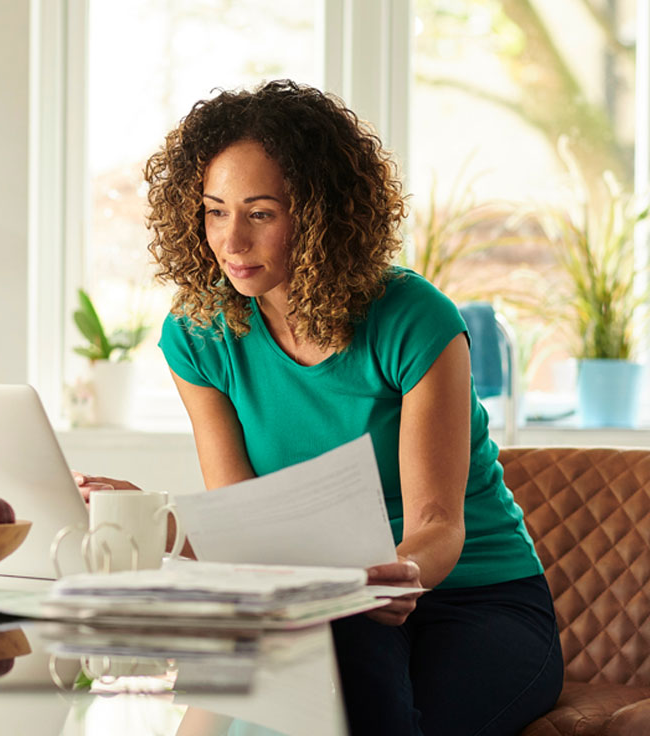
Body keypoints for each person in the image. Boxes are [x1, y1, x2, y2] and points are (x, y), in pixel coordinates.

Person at [79, 79, 563, 735]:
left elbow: (435, 522)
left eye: (260, 213)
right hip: (325, 597)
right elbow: (244, 526)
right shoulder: (197, 336)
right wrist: (152, 518)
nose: (232, 241)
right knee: (279, 688)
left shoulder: (413, 319)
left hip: (475, 595)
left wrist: (394, 575)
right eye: (215, 211)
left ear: (318, 214)